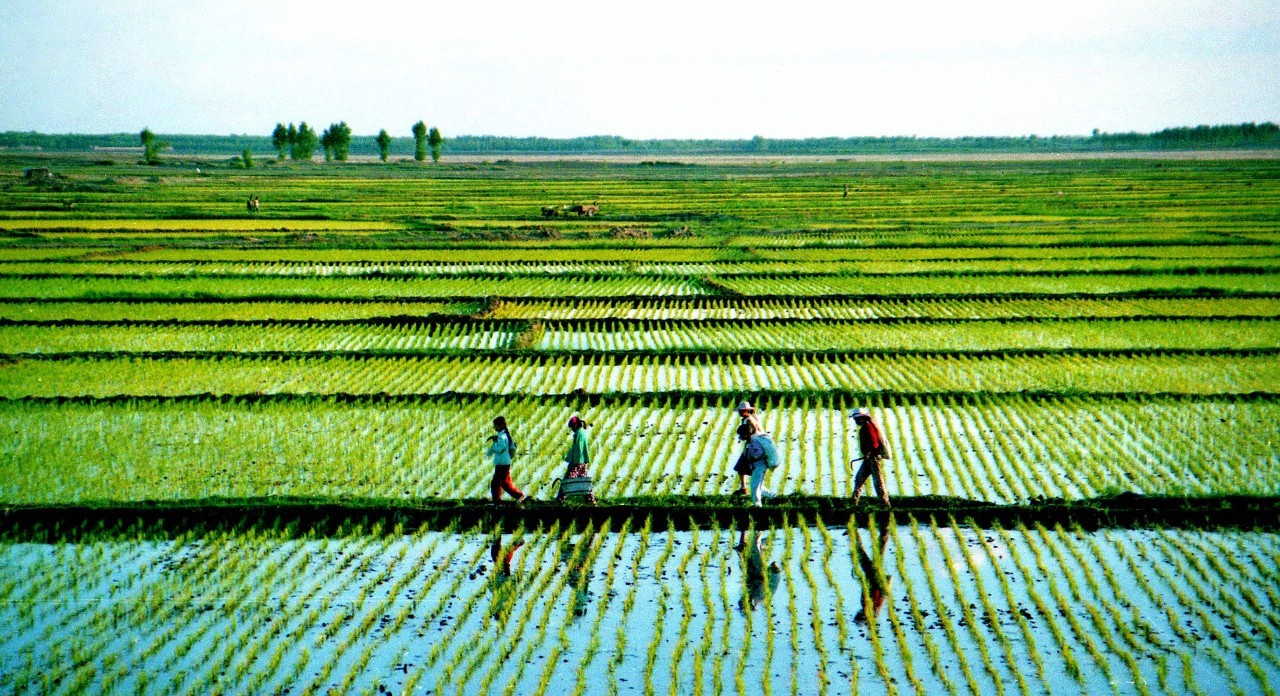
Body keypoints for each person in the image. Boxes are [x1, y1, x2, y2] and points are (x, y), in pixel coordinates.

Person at [850, 407, 891, 507]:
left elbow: (874, 442)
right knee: (859, 478)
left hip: (873, 458)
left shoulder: (868, 427)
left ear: (862, 418)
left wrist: (869, 452)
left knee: (878, 482)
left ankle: (885, 504)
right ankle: (853, 502)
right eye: (855, 419)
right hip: (869, 458)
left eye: (857, 419)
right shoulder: (866, 426)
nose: (856, 421)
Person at [854, 524, 893, 624]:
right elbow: (878, 591)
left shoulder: (867, 606)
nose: (859, 612)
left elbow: (865, 589)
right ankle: (854, 532)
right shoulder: (873, 605)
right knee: (863, 554)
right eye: (860, 615)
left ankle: (884, 531)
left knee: (873, 554)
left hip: (872, 576)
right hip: (874, 577)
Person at [737, 528, 782, 612]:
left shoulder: (752, 595)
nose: (742, 597)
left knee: (743, 555)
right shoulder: (758, 596)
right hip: (773, 574)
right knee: (753, 545)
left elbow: (751, 578)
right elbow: (761, 578)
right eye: (742, 600)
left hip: (766, 575)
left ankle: (745, 530)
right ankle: (758, 526)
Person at [487, 416, 527, 506]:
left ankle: (500, 501)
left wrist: (494, 442)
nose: (495, 428)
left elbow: (500, 448)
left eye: (496, 426)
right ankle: (499, 501)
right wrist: (495, 441)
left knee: (497, 483)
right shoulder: (503, 435)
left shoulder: (502, 436)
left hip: (502, 463)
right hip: (503, 463)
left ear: (501, 426)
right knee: (502, 483)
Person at [736, 423, 777, 508]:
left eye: (741, 434)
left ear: (746, 434)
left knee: (755, 486)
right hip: (756, 466)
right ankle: (773, 496)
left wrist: (751, 458)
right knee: (758, 485)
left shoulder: (754, 442)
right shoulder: (749, 441)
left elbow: (759, 453)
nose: (740, 436)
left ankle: (757, 505)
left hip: (760, 466)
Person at [557, 415, 596, 504]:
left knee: (567, 480)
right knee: (583, 481)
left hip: (578, 462)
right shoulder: (581, 433)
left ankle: (560, 499)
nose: (572, 430)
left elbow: (578, 449)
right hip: (583, 461)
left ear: (575, 426)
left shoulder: (579, 434)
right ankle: (591, 500)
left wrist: (574, 462)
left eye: (571, 427)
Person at [732, 401, 765, 496]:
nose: (740, 412)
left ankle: (745, 489)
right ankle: (744, 488)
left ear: (746, 411)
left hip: (752, 447)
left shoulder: (748, 420)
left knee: (741, 468)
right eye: (740, 411)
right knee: (742, 468)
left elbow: (754, 429)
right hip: (752, 446)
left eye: (741, 411)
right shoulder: (749, 417)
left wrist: (748, 436)